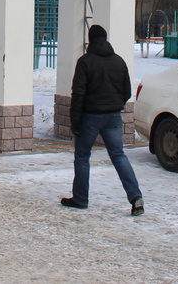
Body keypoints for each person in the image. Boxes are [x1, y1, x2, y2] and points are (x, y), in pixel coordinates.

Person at [62, 24, 143, 215]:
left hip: (90, 116)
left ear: (90, 39)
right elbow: (126, 92)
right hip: (113, 116)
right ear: (105, 39)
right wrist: (115, 104)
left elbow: (78, 93)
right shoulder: (119, 61)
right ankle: (136, 197)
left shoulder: (85, 62)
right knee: (118, 155)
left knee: (82, 156)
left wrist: (75, 121)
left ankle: (81, 198)